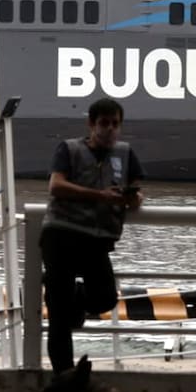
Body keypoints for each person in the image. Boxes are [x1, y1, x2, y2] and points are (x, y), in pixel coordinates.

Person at [40, 98, 143, 373]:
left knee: (105, 298)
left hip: (96, 240)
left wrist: (133, 198)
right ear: (91, 124)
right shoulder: (69, 149)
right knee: (60, 318)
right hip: (61, 235)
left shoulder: (125, 153)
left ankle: (70, 296)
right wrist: (100, 196)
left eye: (114, 124)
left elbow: (135, 188)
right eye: (103, 123)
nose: (109, 129)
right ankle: (64, 376)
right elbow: (56, 186)